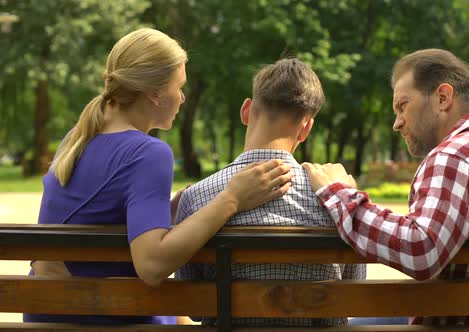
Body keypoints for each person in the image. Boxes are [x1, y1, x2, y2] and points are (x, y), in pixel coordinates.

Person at [24, 28, 292, 325]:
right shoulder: (147, 153)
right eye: (179, 87)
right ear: (153, 93)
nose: (182, 98)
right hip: (105, 318)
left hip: (51, 312)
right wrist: (232, 198)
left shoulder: (76, 139)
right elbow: (152, 266)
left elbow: (95, 214)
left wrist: (170, 209)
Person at [303, 49, 469, 325]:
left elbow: (421, 250)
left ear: (443, 98)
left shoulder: (454, 157)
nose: (396, 123)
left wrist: (340, 194)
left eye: (402, 105)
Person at [175, 58, 366, 327]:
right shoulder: (335, 198)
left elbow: (192, 306)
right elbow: (352, 294)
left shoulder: (197, 198)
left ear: (246, 110)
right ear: (306, 128)